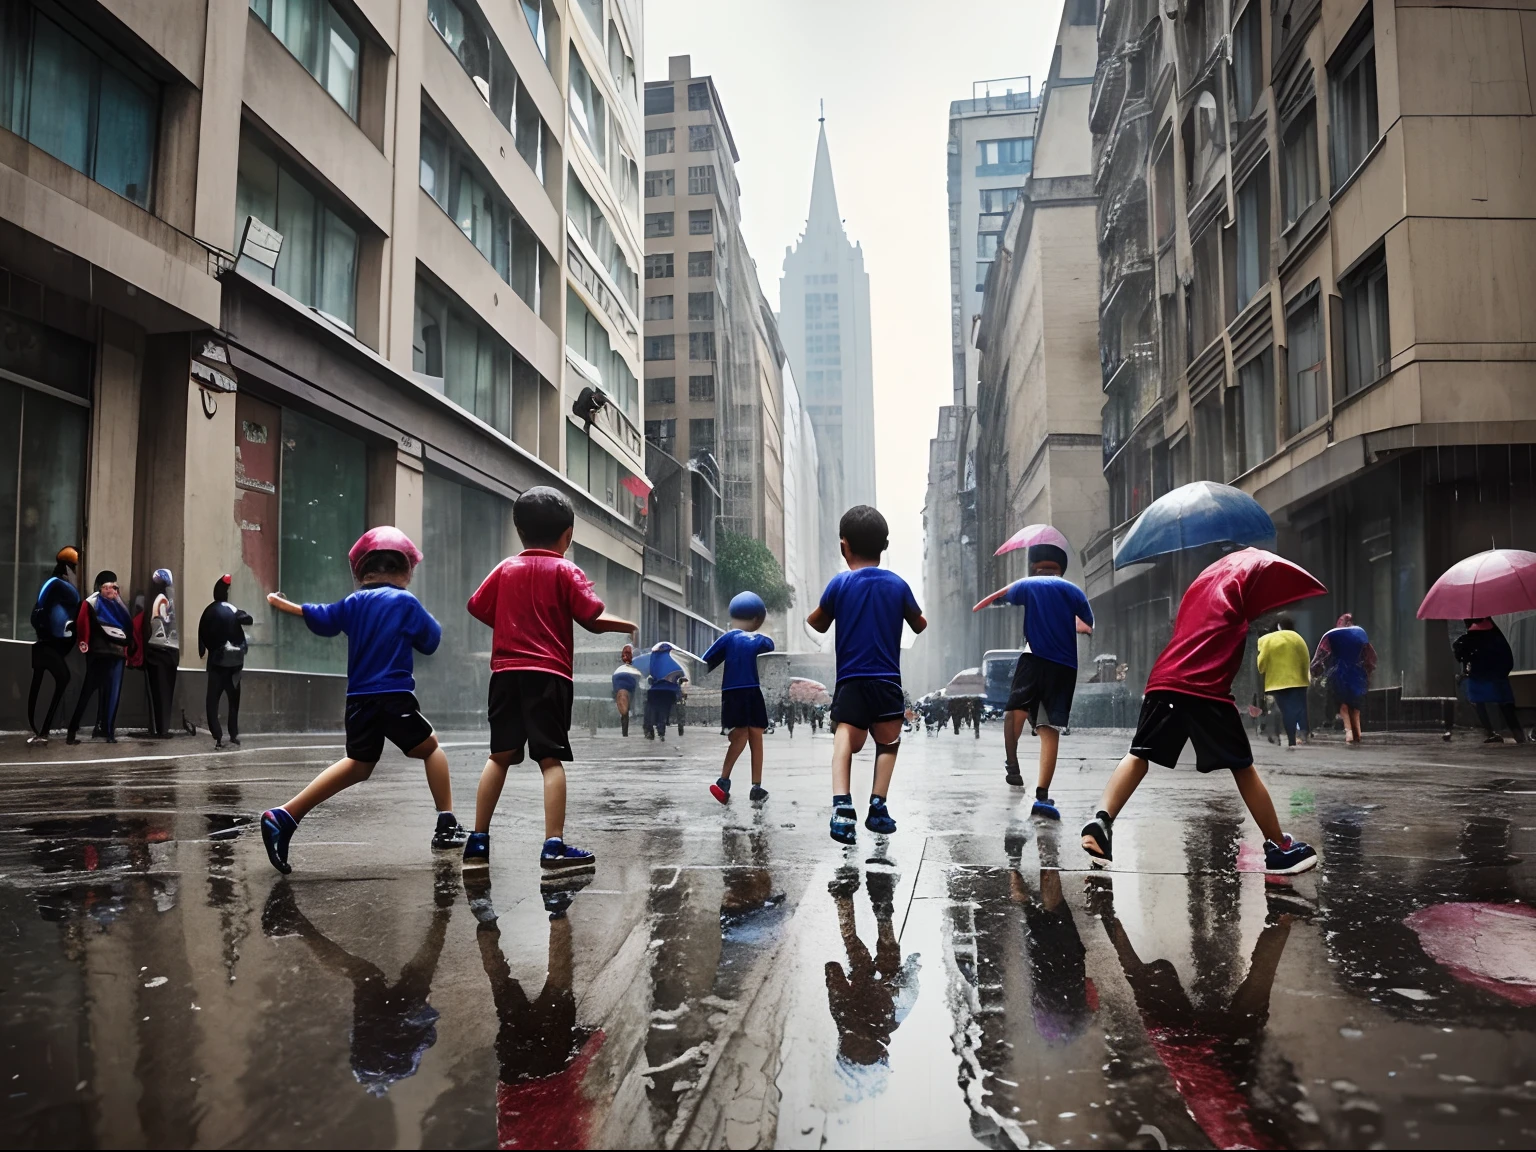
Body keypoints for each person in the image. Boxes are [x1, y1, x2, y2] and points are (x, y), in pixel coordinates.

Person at [1078, 550, 1321, 876]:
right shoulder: (1237, 609)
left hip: (1163, 683)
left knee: (1138, 755)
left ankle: (1101, 822)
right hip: (1205, 692)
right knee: (1244, 769)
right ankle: (1278, 846)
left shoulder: (1197, 596)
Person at [258, 527, 466, 874]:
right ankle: (447, 824)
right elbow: (431, 641)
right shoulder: (404, 602)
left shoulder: (352, 603)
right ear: (403, 571)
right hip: (392, 696)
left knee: (359, 763)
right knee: (430, 747)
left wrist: (287, 605)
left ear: (364, 572)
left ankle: (284, 816)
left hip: (357, 701)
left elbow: (322, 617)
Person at [461, 486, 638, 876]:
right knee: (550, 760)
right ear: (568, 535)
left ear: (520, 531)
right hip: (548, 677)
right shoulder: (565, 570)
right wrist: (628, 625)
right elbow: (590, 618)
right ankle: (554, 845)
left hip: (505, 675)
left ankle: (477, 839)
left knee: (500, 756)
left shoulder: (506, 568)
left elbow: (477, 606)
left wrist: (511, 624)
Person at [807, 505, 927, 844]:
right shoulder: (897, 585)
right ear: (885, 546)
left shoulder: (840, 584)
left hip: (851, 681)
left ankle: (842, 805)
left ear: (844, 546)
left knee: (846, 739)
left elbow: (816, 621)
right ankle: (878, 805)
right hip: (888, 679)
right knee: (888, 741)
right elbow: (920, 624)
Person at [975, 542, 1093, 818]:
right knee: (1049, 728)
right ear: (1061, 570)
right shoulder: (1074, 591)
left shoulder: (1027, 585)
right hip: (1064, 666)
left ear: (1033, 566)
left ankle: (1012, 765)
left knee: (1013, 711)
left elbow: (999, 598)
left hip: (1034, 658)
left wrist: (988, 602)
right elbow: (1087, 624)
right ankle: (1042, 795)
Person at [704, 591, 776, 805]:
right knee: (751, 735)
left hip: (734, 692)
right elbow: (770, 646)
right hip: (751, 691)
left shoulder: (728, 638)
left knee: (747, 735)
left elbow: (706, 661)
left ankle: (740, 784)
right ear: (757, 619)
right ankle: (739, 783)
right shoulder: (758, 639)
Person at [65, 571, 133, 744]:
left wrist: (84, 645)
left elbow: (82, 626)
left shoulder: (91, 602)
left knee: (87, 693)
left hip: (98, 655)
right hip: (116, 654)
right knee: (112, 693)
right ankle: (108, 732)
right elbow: (128, 626)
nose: (112, 590)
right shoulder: (117, 603)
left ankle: (73, 731)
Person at [27, 546, 81, 744]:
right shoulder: (57, 585)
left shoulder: (57, 586)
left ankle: (42, 729)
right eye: (74, 568)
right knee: (60, 679)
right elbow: (41, 611)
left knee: (54, 681)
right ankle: (42, 729)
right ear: (67, 569)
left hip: (51, 645)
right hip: (48, 646)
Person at [199, 574, 253, 748]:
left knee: (212, 701)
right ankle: (233, 734)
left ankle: (218, 735)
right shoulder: (232, 609)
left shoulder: (209, 610)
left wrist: (203, 650)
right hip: (235, 664)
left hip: (217, 662)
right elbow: (247, 619)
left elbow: (202, 633)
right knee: (233, 700)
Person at [1454, 617, 1527, 744]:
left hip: (1479, 676)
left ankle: (1490, 732)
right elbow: (1507, 657)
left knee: (1478, 702)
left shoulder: (1470, 638)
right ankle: (1518, 734)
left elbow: (1462, 655)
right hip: (1497, 676)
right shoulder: (1495, 633)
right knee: (1505, 705)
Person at [1312, 613, 1376, 744]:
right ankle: (1356, 731)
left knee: (1343, 705)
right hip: (1357, 673)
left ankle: (1350, 732)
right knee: (1355, 705)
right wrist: (1368, 670)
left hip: (1339, 673)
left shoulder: (1332, 636)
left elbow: (1322, 655)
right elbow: (1370, 655)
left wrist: (1315, 669)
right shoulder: (1359, 635)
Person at [142, 568, 178, 738]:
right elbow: (160, 622)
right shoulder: (165, 599)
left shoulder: (152, 599)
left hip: (155, 650)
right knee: (164, 691)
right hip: (167, 650)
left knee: (158, 691)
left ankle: (159, 727)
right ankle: (162, 728)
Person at [643, 642, 685, 740]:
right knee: (663, 708)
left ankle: (648, 726)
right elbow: (681, 675)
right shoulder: (676, 659)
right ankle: (661, 730)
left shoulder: (653, 658)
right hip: (670, 690)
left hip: (655, 690)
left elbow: (651, 674)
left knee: (650, 706)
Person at [611, 644, 641, 736]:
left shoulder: (619, 670)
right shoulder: (637, 656)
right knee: (631, 700)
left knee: (624, 706)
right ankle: (632, 712)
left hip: (618, 676)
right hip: (630, 676)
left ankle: (624, 730)